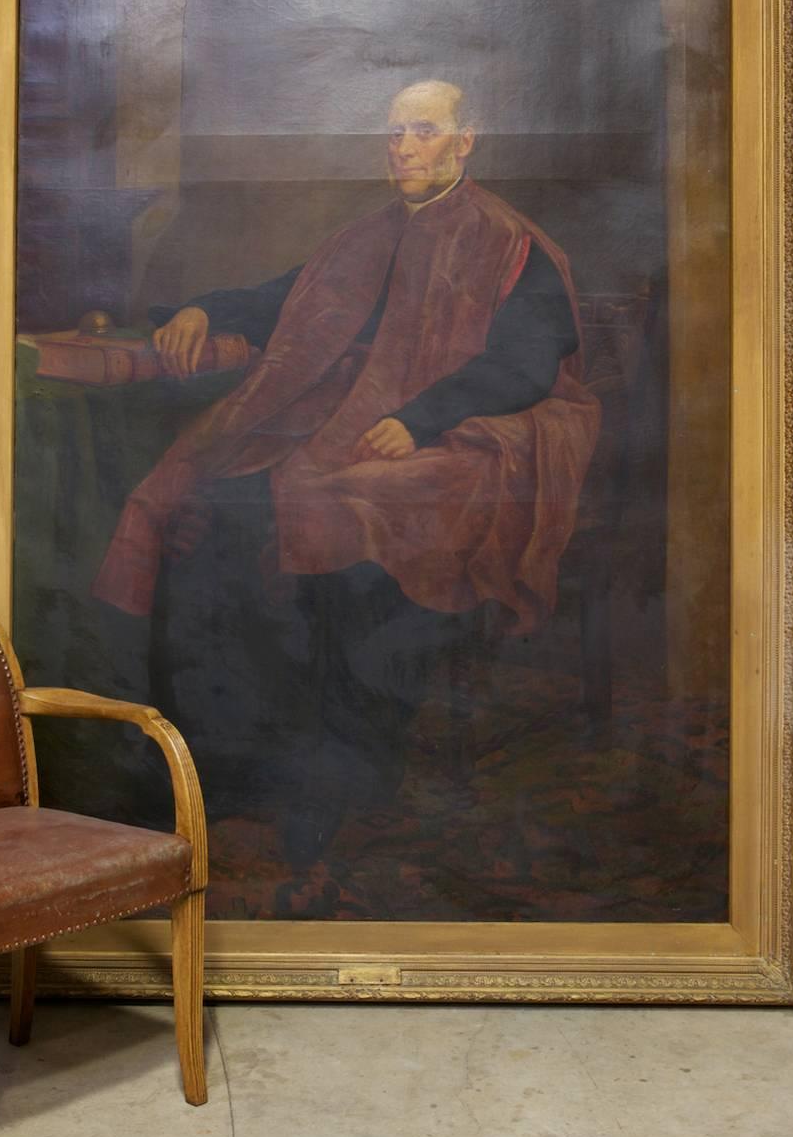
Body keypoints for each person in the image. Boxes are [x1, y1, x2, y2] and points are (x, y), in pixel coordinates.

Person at [93, 81, 600, 862]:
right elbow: (292, 302)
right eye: (394, 132)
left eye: (423, 131)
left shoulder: (509, 240)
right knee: (224, 503)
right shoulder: (373, 232)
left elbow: (526, 365)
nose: (402, 147)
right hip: (356, 426)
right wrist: (201, 308)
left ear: (466, 142)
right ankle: (230, 765)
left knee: (351, 512)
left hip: (471, 436)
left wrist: (419, 419)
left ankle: (342, 772)